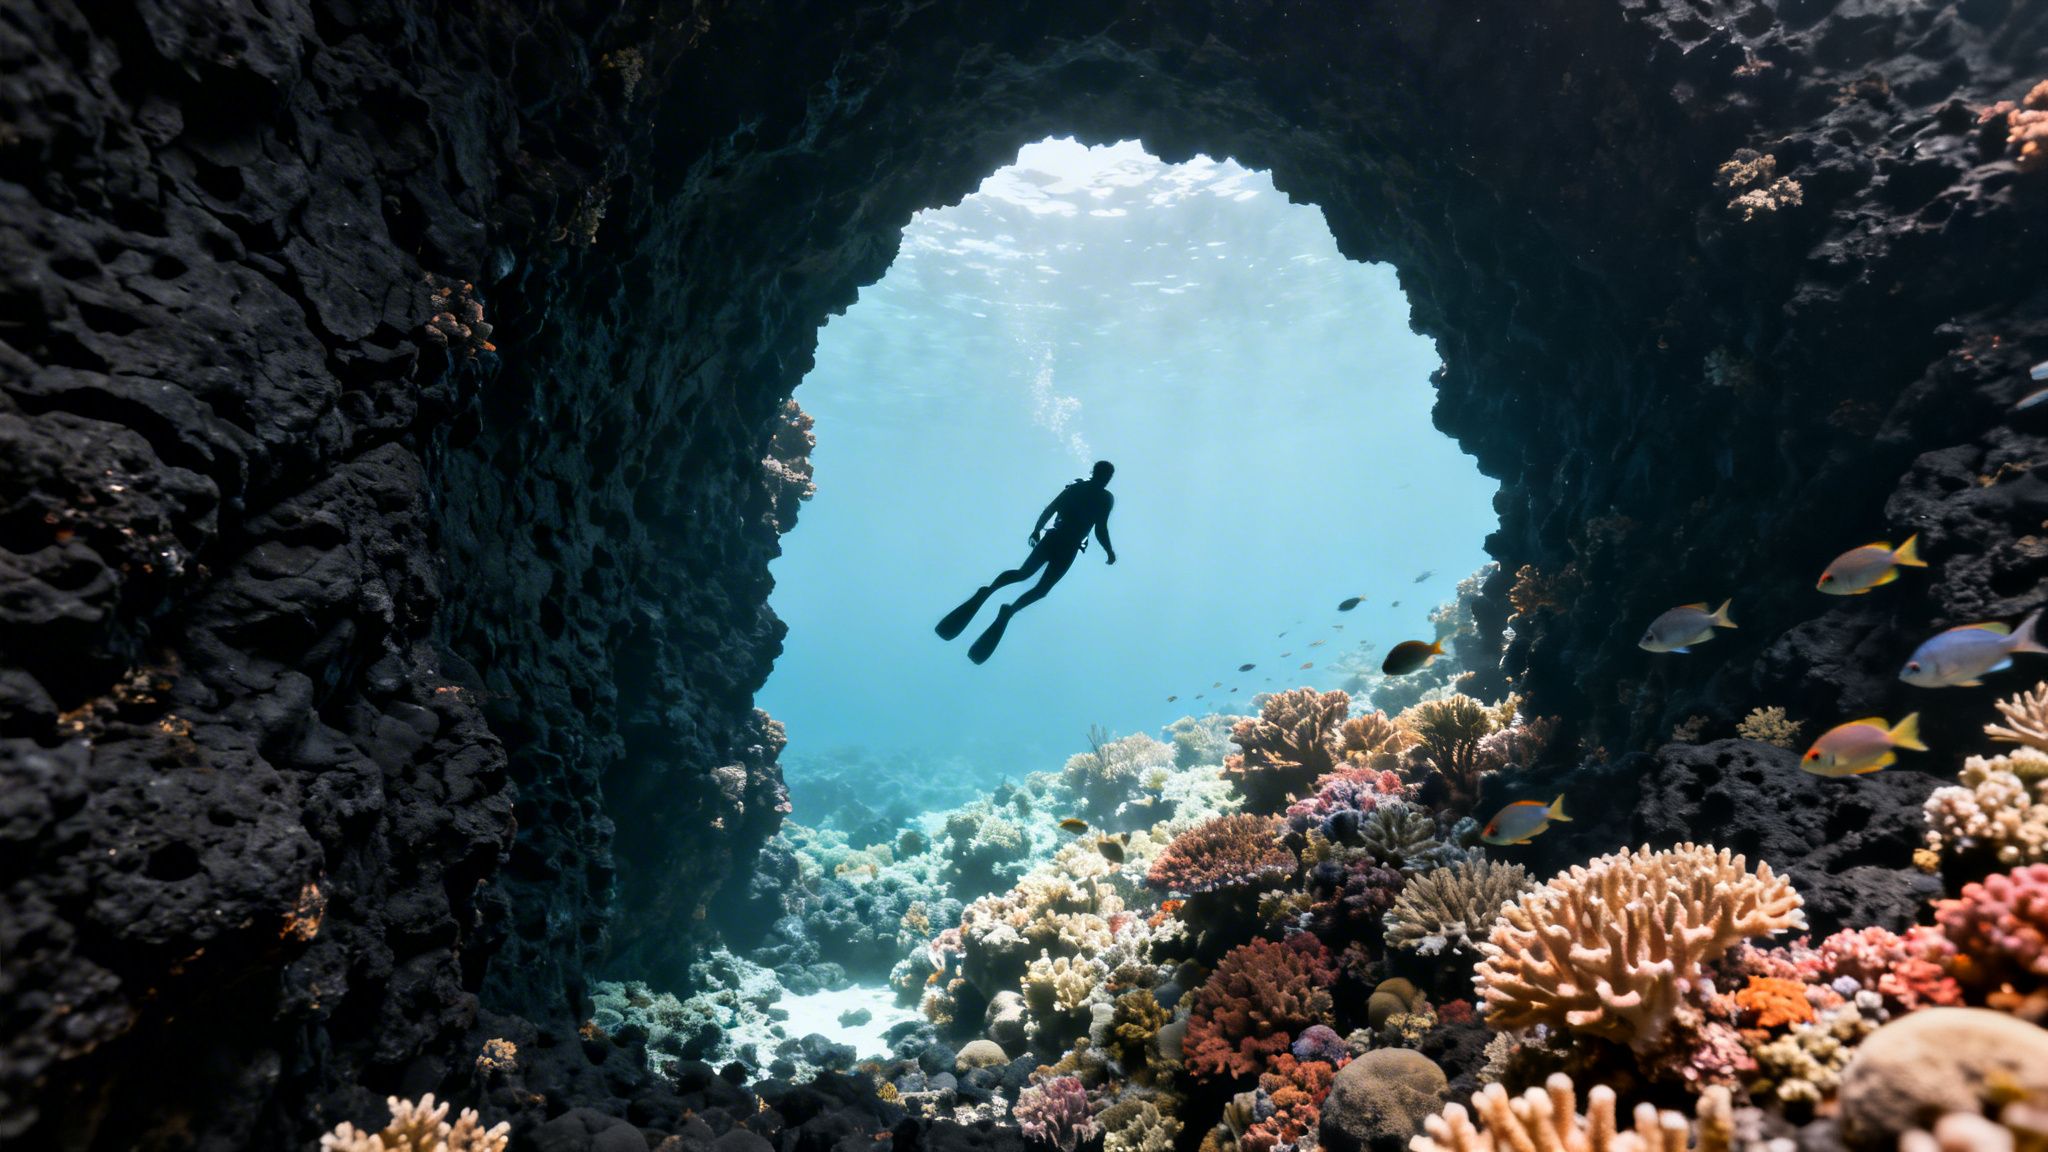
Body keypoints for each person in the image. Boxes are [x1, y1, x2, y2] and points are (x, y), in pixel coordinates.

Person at [937, 461, 1117, 663]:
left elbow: (1082, 521)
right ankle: (992, 596)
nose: (1106, 479)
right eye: (1106, 475)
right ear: (1101, 475)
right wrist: (1038, 529)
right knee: (1028, 577)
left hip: (1064, 544)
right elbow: (1076, 518)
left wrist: (1038, 529)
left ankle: (1004, 606)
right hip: (1060, 541)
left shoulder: (1093, 494)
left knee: (1037, 585)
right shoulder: (1093, 494)